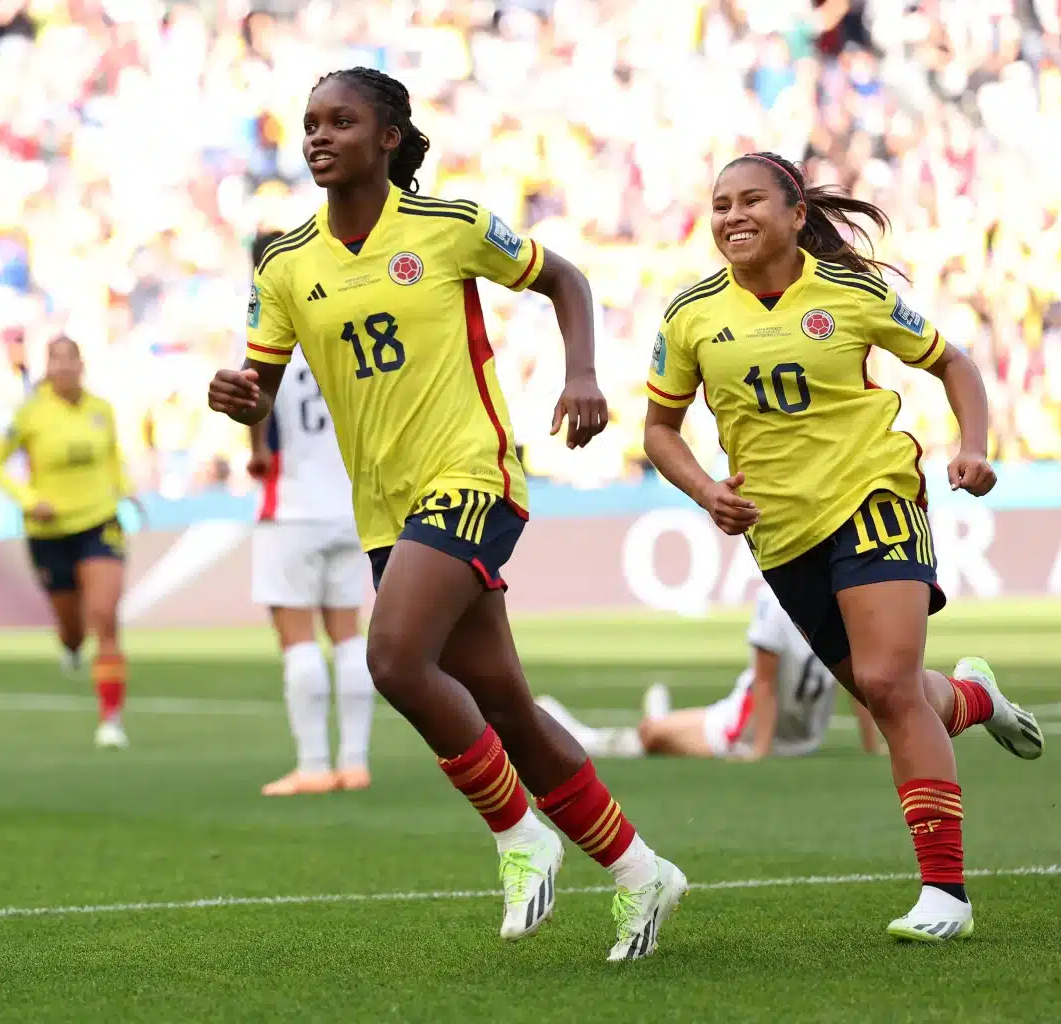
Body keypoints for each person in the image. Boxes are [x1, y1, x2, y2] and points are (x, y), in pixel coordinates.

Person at [207, 67, 686, 961]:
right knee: (503, 701)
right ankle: (639, 870)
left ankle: (517, 833)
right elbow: (259, 391)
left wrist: (582, 373)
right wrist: (236, 394)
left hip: (472, 474)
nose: (318, 136)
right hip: (386, 510)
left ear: (388, 137)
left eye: (340, 121)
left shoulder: (450, 226)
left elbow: (566, 279)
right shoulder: (284, 265)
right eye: (310, 123)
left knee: (391, 657)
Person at [642, 152, 1045, 943]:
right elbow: (659, 428)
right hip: (780, 532)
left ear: (796, 213)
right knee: (885, 690)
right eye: (719, 204)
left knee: (890, 684)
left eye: (751, 199)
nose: (732, 216)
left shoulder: (852, 293)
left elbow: (952, 362)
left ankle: (946, 896)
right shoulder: (689, 315)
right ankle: (975, 699)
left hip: (873, 496)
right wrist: (704, 489)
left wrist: (975, 443)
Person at [246, 231, 377, 796]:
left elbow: (255, 397)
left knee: (298, 639)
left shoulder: (268, 331)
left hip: (292, 508)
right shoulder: (340, 327)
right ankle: (355, 761)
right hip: (352, 505)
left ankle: (314, 765)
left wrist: (256, 453)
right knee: (348, 635)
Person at [537, 587, 883, 761]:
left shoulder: (774, 596)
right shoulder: (844, 598)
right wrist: (874, 746)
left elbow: (764, 685)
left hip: (746, 728)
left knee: (652, 733)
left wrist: (759, 753)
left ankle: (588, 739)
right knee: (659, 730)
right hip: (805, 736)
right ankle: (660, 720)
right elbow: (858, 681)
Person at [0, 336, 132, 749]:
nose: (65, 367)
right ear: (47, 368)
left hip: (99, 521)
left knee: (104, 618)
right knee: (73, 630)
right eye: (56, 360)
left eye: (71, 359)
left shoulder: (101, 410)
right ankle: (70, 645)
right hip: (49, 531)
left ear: (81, 365)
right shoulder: (30, 414)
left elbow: (112, 457)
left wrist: (125, 490)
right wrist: (30, 500)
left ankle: (111, 721)